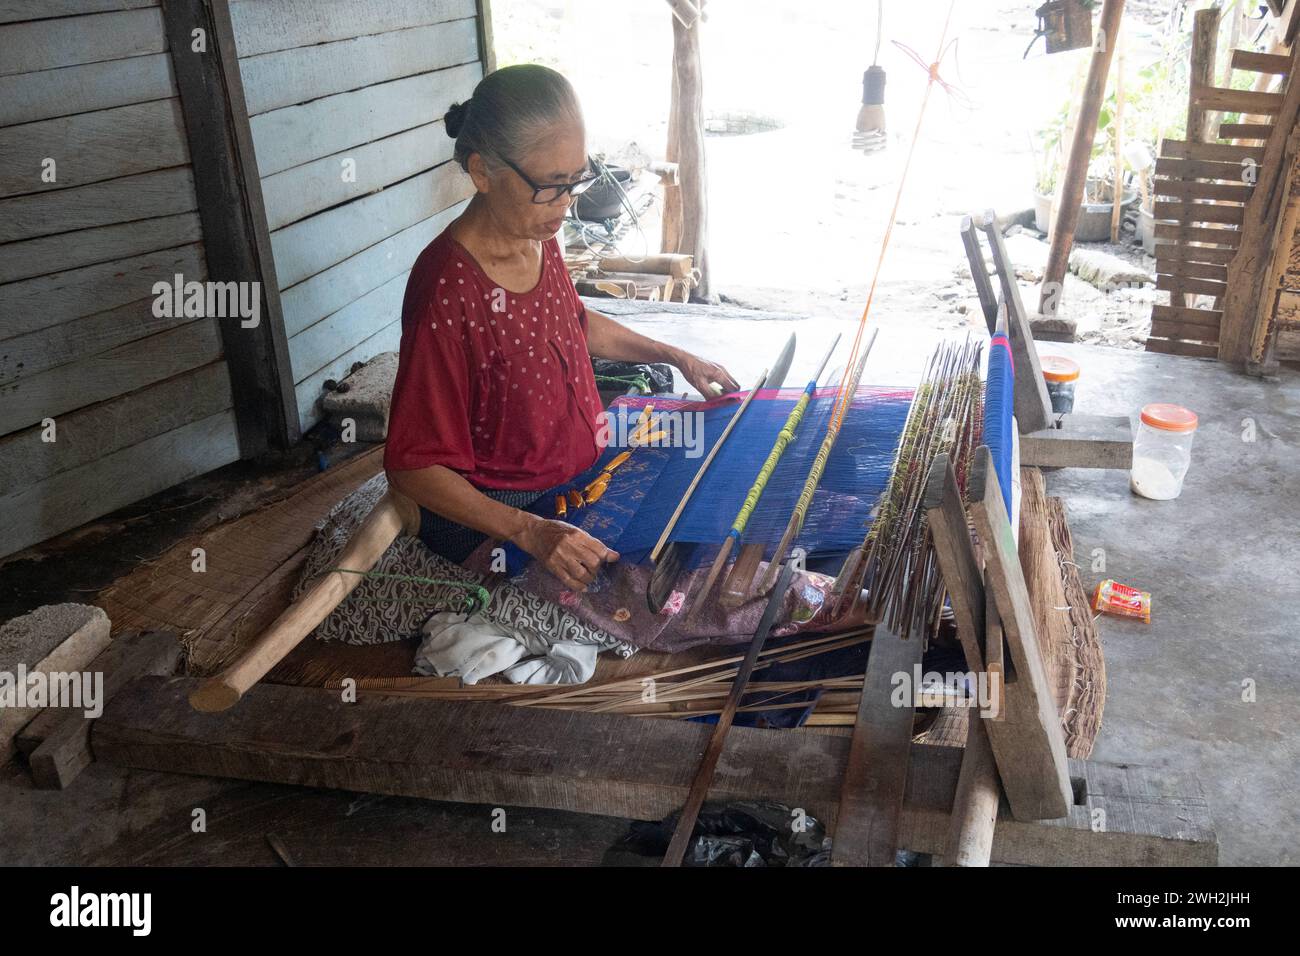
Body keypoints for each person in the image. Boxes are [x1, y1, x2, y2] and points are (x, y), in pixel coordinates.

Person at [384, 64, 737, 594]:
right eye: (551, 187)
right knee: (660, 594)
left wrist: (674, 355)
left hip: (581, 468)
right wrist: (533, 532)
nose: (566, 206)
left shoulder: (536, 231)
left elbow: (568, 320)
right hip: (511, 508)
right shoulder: (448, 290)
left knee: (713, 474)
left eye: (575, 182)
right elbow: (412, 468)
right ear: (482, 172)